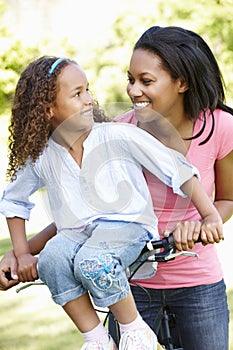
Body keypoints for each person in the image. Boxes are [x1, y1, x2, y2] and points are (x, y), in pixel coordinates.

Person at [0, 26, 233, 349]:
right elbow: (85, 214)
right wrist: (22, 252)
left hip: (195, 278)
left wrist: (205, 220)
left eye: (146, 81)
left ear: (182, 82)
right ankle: (99, 338)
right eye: (131, 79)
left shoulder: (220, 126)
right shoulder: (115, 129)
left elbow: (226, 197)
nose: (133, 90)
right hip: (126, 278)